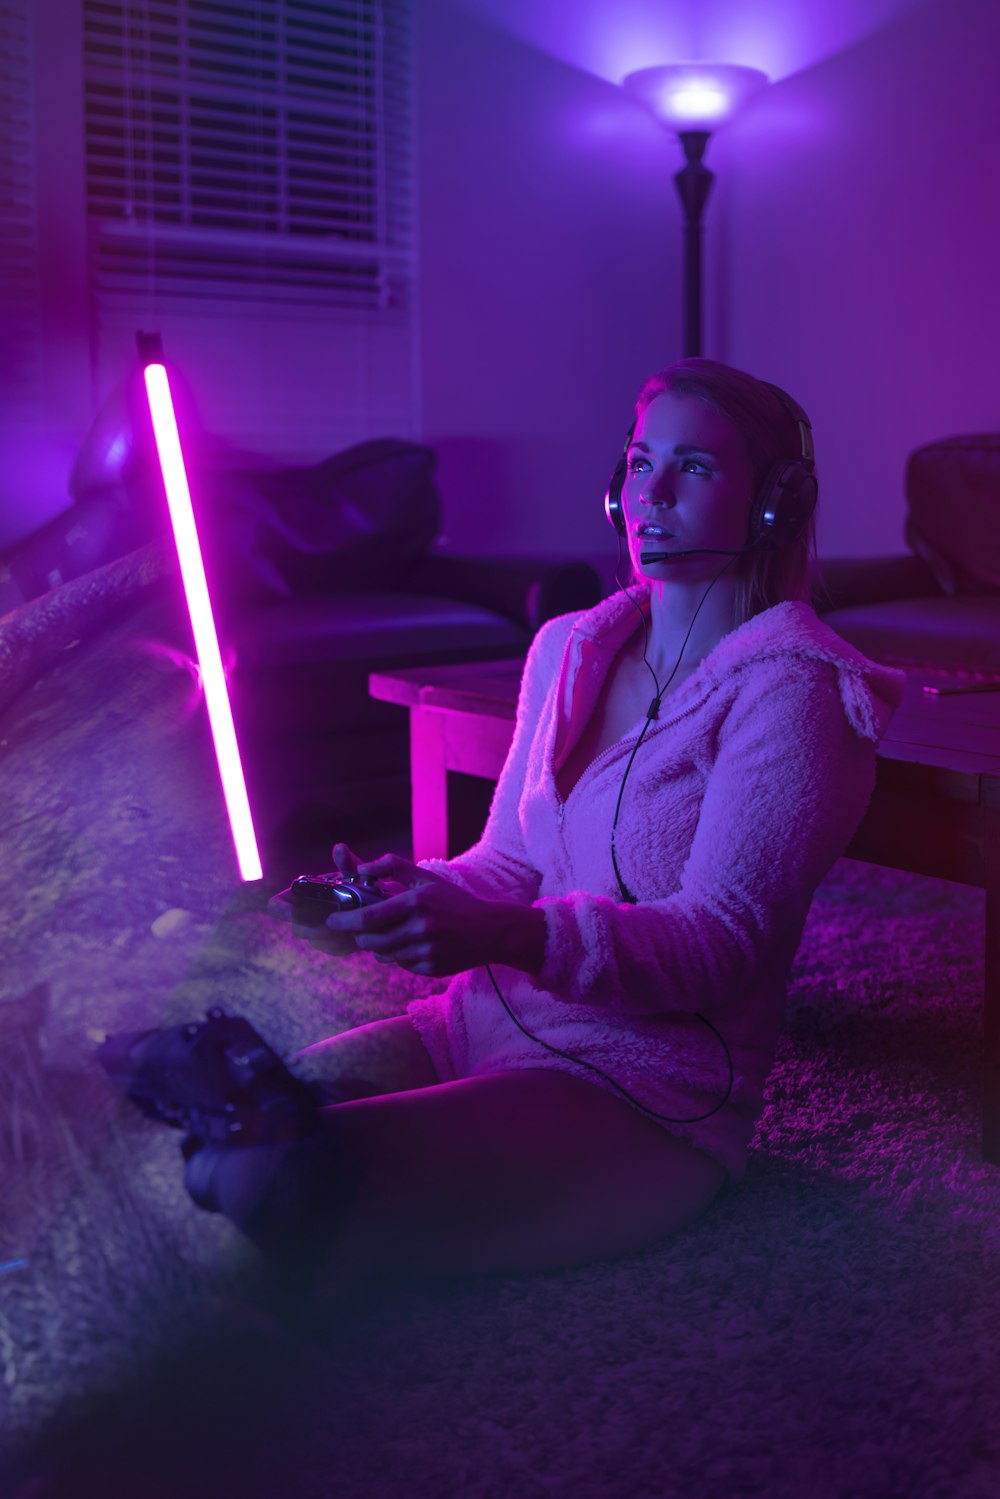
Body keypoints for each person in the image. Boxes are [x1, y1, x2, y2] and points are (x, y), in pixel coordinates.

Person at [184, 358, 905, 1311]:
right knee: (208, 1130)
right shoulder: (569, 646)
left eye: (693, 467)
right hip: (472, 1025)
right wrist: (414, 896)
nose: (649, 493)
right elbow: (510, 863)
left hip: (639, 1093)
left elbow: (721, 945)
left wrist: (501, 935)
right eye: (641, 460)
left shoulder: (799, 692)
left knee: (271, 1181)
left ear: (774, 502)